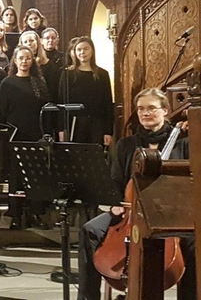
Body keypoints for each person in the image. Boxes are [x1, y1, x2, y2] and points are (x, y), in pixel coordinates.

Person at [77, 88, 195, 300]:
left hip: (170, 215)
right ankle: (87, 297)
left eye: (151, 108)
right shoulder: (126, 145)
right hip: (130, 211)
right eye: (140, 109)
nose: (145, 113)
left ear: (165, 111)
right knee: (90, 230)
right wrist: (115, 203)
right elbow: (114, 181)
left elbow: (190, 183)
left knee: (194, 240)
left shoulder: (183, 142)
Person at [58, 36, 113, 146]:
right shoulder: (67, 74)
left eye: (86, 49)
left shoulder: (102, 74)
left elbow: (107, 103)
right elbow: (61, 103)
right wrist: (61, 129)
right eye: (79, 49)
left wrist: (108, 131)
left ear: (92, 51)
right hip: (74, 123)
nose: (82, 52)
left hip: (97, 124)